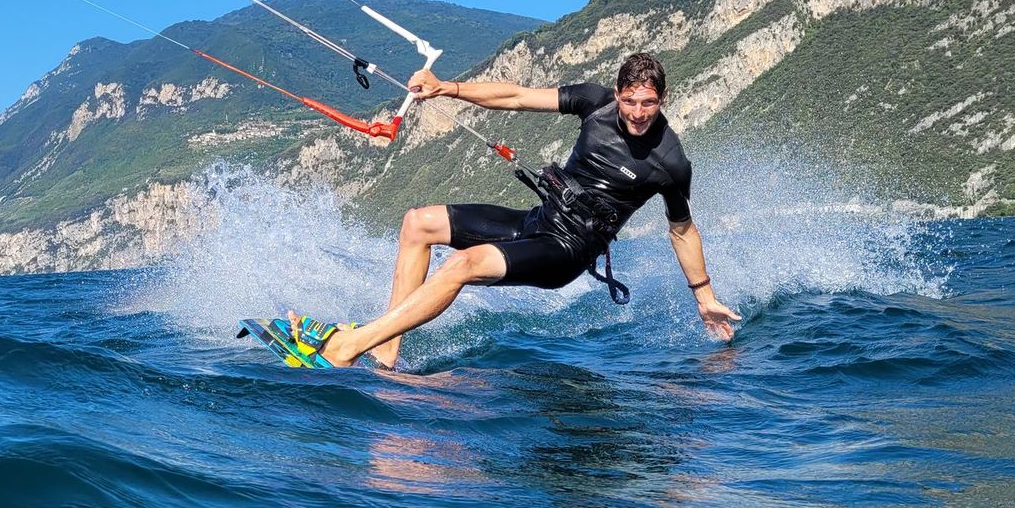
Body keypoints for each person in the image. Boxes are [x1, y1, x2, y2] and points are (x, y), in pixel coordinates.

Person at [289, 53, 740, 368]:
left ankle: (350, 346)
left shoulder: (670, 160)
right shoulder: (594, 101)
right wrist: (449, 88)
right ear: (618, 93)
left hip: (569, 249)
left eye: (649, 103)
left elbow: (682, 231)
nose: (639, 113)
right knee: (417, 223)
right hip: (539, 221)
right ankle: (386, 354)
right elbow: (518, 97)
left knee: (463, 264)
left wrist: (704, 298)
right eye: (630, 101)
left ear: (663, 99)